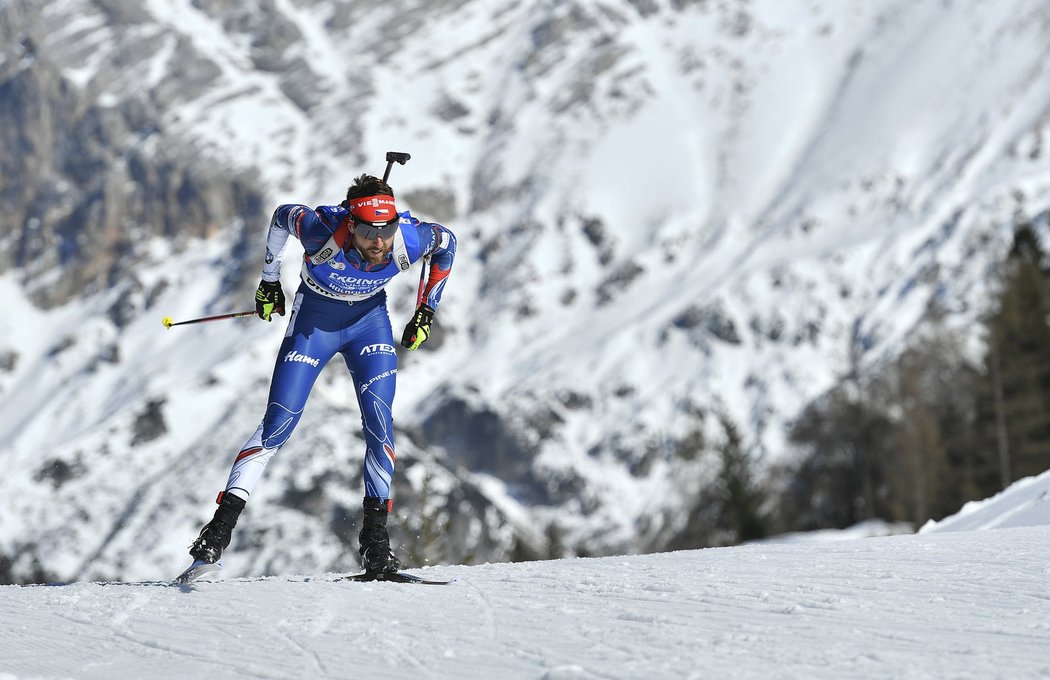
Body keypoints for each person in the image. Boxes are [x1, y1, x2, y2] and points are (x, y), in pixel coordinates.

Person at [187, 173, 456, 574]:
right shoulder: (321, 230)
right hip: (314, 323)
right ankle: (218, 532)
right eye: (368, 233)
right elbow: (281, 217)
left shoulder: (411, 239)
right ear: (351, 223)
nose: (379, 242)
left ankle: (376, 546)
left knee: (381, 426)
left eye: (387, 230)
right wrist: (269, 281)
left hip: (369, 323)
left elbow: (448, 244)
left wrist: (426, 311)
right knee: (278, 423)